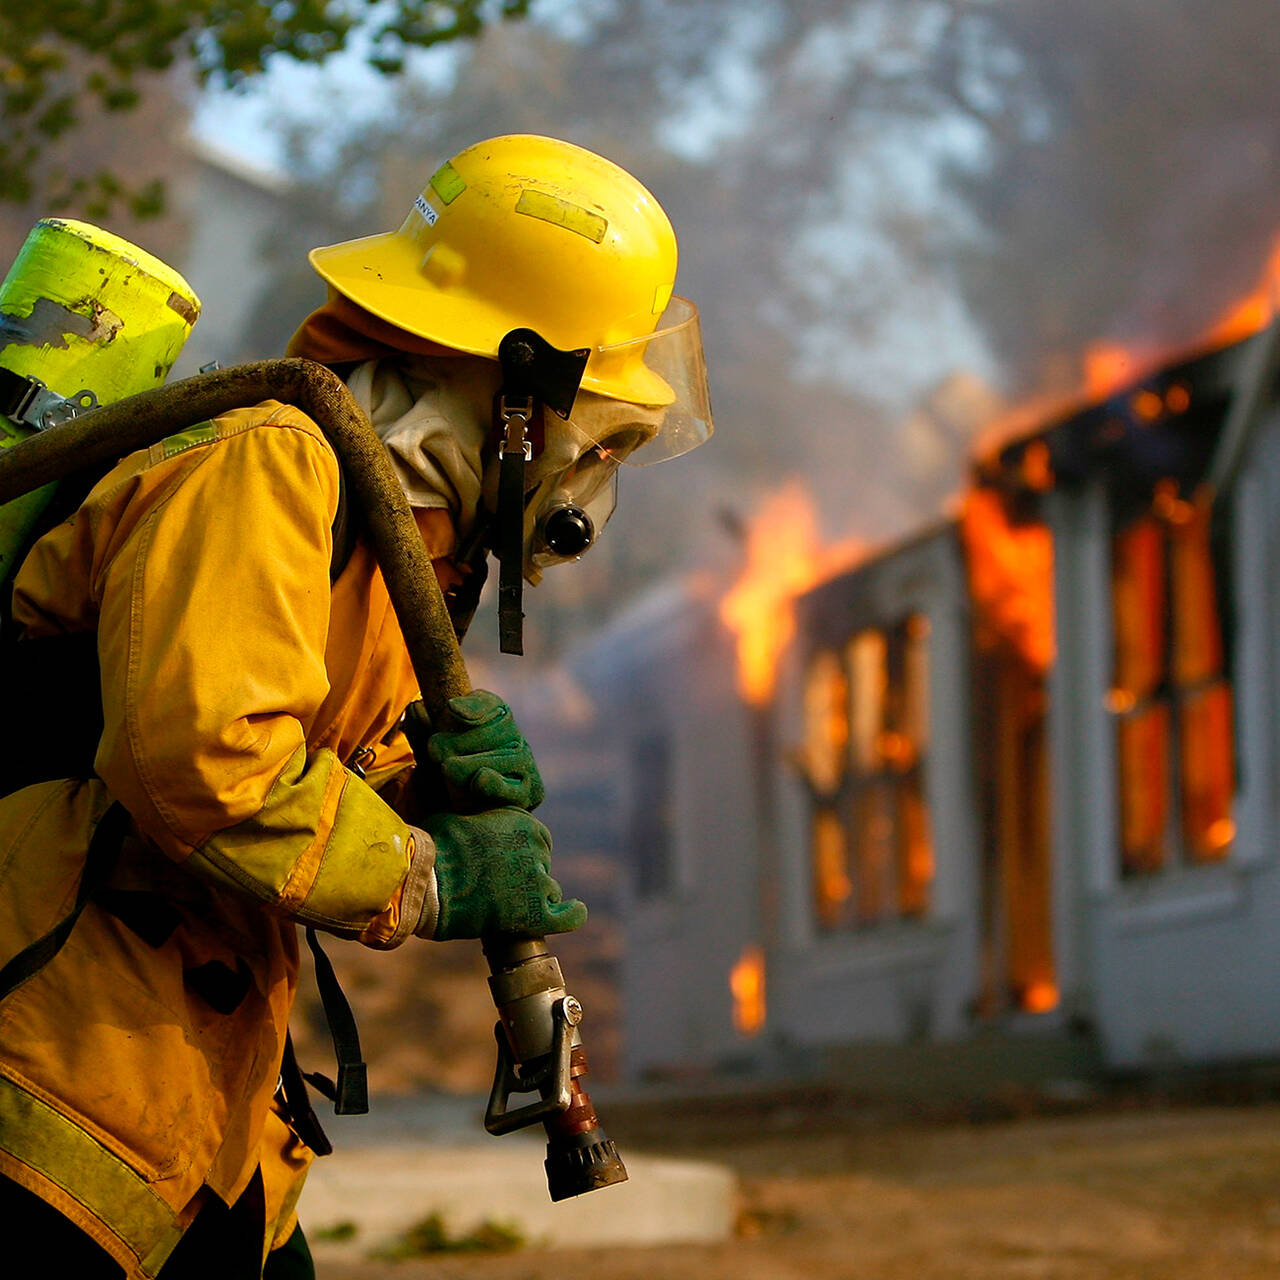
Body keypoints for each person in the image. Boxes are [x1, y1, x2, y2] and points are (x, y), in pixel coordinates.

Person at [0, 134, 713, 1278]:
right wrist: (426, 874)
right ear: (517, 387)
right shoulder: (268, 461)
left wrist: (414, 792)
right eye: (606, 431)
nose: (595, 468)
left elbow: (299, 747)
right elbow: (198, 761)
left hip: (197, 1102)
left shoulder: (383, 531)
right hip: (51, 1074)